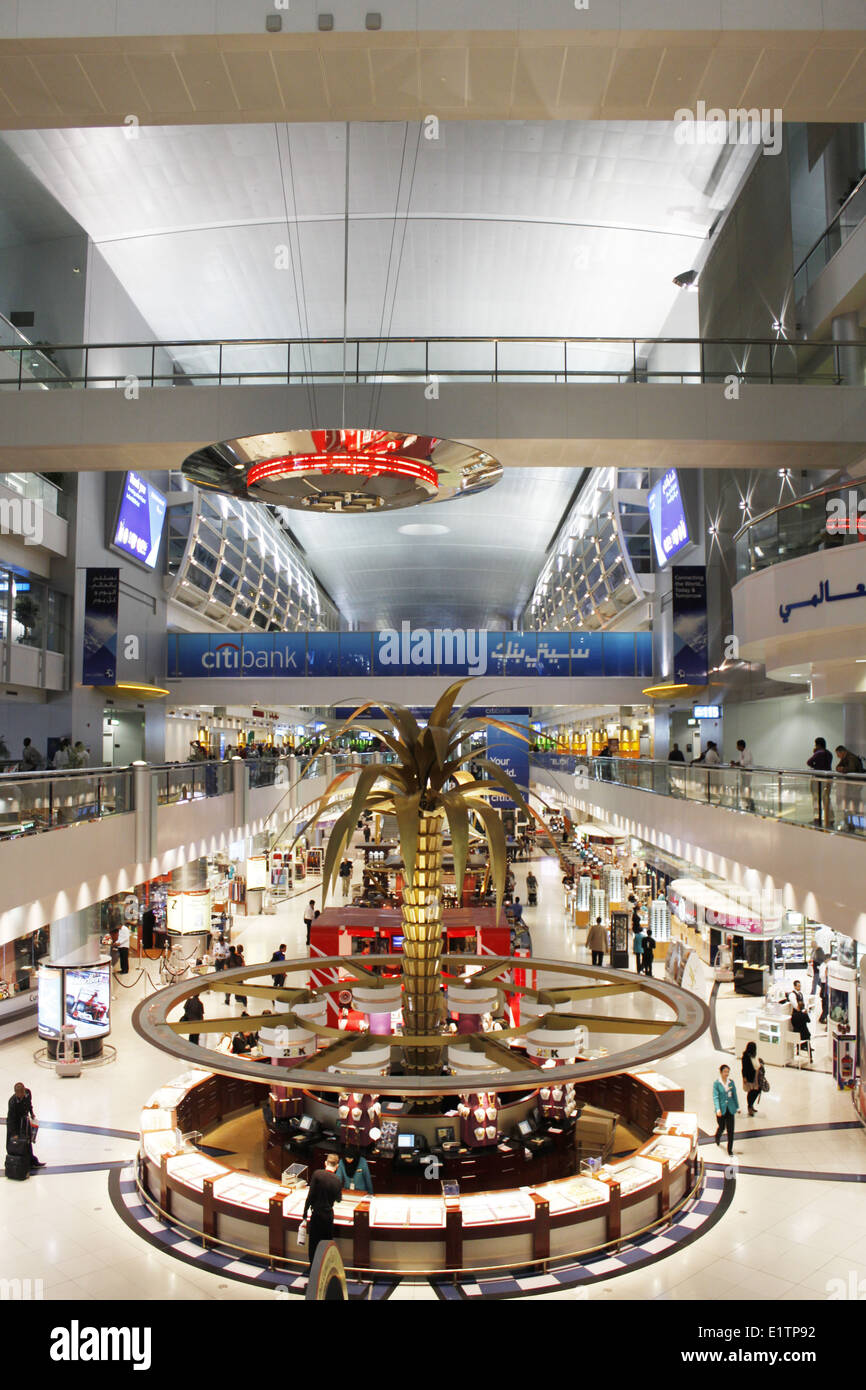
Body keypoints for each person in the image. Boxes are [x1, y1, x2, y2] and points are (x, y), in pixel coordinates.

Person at [303, 1152, 342, 1268]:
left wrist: (304, 1213)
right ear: (337, 1166)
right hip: (328, 1217)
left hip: (317, 1215)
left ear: (325, 1163)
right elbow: (338, 1199)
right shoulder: (337, 1180)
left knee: (313, 1246)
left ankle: (313, 1271)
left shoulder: (317, 1174)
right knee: (326, 1247)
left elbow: (310, 1196)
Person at [7, 1082, 44, 1169]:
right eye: (20, 1094)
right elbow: (11, 1119)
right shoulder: (12, 1102)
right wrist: (14, 1133)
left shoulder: (27, 1093)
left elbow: (29, 1104)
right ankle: (15, 1162)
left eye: (23, 1093)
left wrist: (31, 1113)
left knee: (27, 1141)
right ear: (16, 1093)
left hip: (24, 1121)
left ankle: (31, 1161)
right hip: (15, 1124)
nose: (22, 1096)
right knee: (15, 1144)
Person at [713, 1064, 739, 1156]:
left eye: (728, 1072)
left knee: (731, 1130)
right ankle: (717, 1136)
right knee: (722, 1127)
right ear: (721, 1072)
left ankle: (730, 1149)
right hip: (721, 1109)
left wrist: (737, 1107)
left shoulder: (731, 1082)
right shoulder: (717, 1083)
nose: (726, 1074)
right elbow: (715, 1097)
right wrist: (718, 1109)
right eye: (725, 1072)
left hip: (730, 1109)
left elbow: (734, 1095)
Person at [807, 737, 834, 827]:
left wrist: (815, 753)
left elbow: (809, 762)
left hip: (818, 779)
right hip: (828, 778)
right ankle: (830, 818)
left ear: (818, 744)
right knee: (827, 798)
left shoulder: (818, 753)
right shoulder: (829, 753)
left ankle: (817, 817)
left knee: (816, 798)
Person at [741, 1041, 763, 1115]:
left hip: (756, 1076)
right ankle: (749, 1106)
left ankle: (751, 1105)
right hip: (750, 1077)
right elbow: (744, 1068)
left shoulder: (754, 1055)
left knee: (757, 1090)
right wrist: (744, 1077)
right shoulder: (745, 1057)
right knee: (751, 1092)